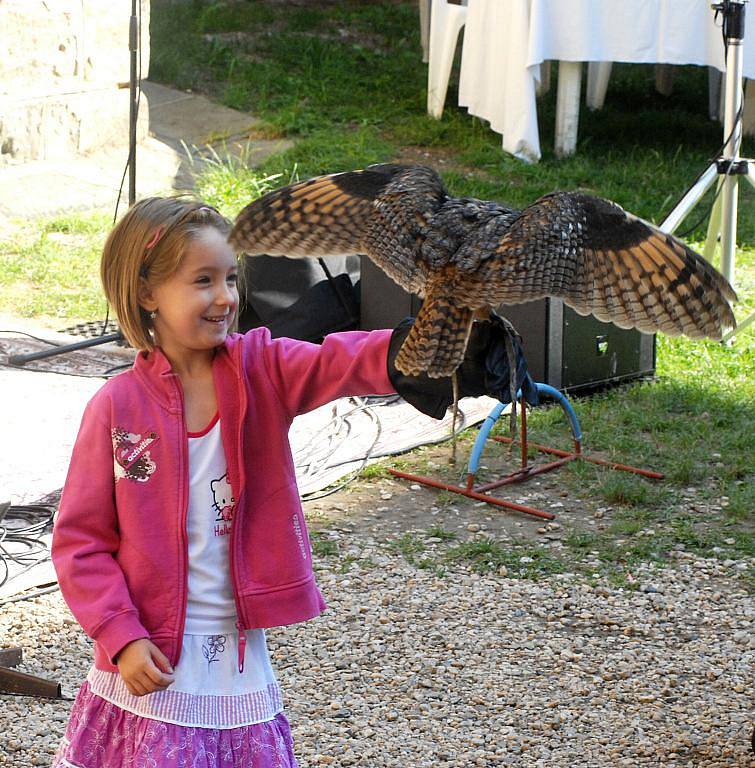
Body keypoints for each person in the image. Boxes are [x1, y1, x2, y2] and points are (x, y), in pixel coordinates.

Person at [51, 197, 536, 768]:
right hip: (150, 660)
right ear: (145, 294)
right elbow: (80, 542)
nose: (227, 297)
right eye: (203, 281)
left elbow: (339, 360)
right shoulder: (117, 406)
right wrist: (120, 634)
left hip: (236, 658)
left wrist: (422, 351)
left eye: (231, 278)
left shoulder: (262, 368)